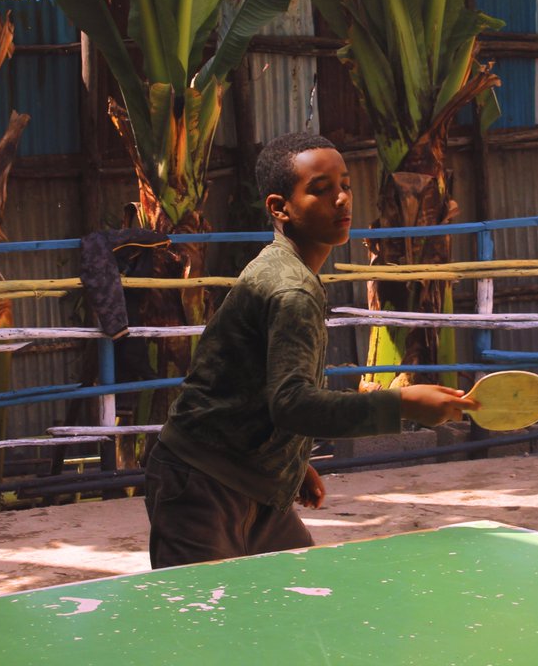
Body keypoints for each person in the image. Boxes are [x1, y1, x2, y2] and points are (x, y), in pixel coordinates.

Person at [144, 132, 476, 568]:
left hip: (257, 484)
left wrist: (292, 461)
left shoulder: (284, 268)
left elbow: (252, 381)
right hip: (202, 484)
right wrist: (403, 404)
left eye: (345, 185)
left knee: (307, 605)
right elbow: (292, 403)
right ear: (280, 207)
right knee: (201, 628)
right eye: (320, 190)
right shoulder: (291, 289)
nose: (341, 199)